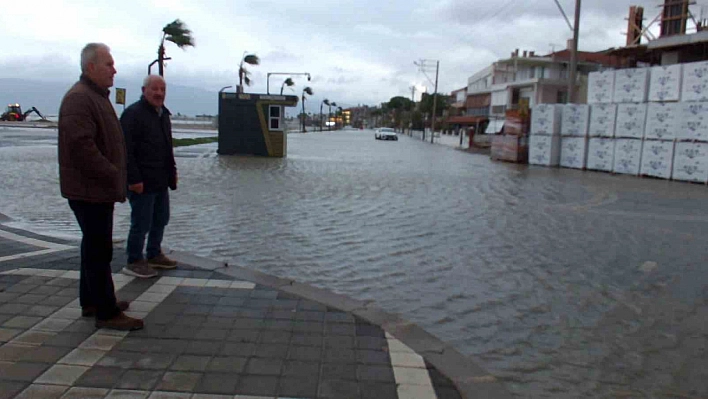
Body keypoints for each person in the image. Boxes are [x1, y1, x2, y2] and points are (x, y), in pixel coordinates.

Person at [58, 43, 142, 331]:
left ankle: (92, 300)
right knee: (99, 250)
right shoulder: (79, 99)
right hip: (89, 190)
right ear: (91, 67)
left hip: (95, 189)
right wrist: (112, 172)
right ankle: (106, 312)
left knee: (93, 247)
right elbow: (82, 147)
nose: (114, 70)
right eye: (108, 64)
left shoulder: (95, 96)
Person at [120, 75, 178, 278]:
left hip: (160, 180)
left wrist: (172, 174)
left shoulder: (163, 115)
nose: (159, 93)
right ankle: (134, 259)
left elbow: (167, 148)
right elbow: (125, 150)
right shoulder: (133, 114)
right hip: (141, 181)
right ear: (144, 90)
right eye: (154, 89)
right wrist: (133, 179)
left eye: (163, 89)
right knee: (141, 222)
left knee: (161, 219)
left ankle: (154, 254)